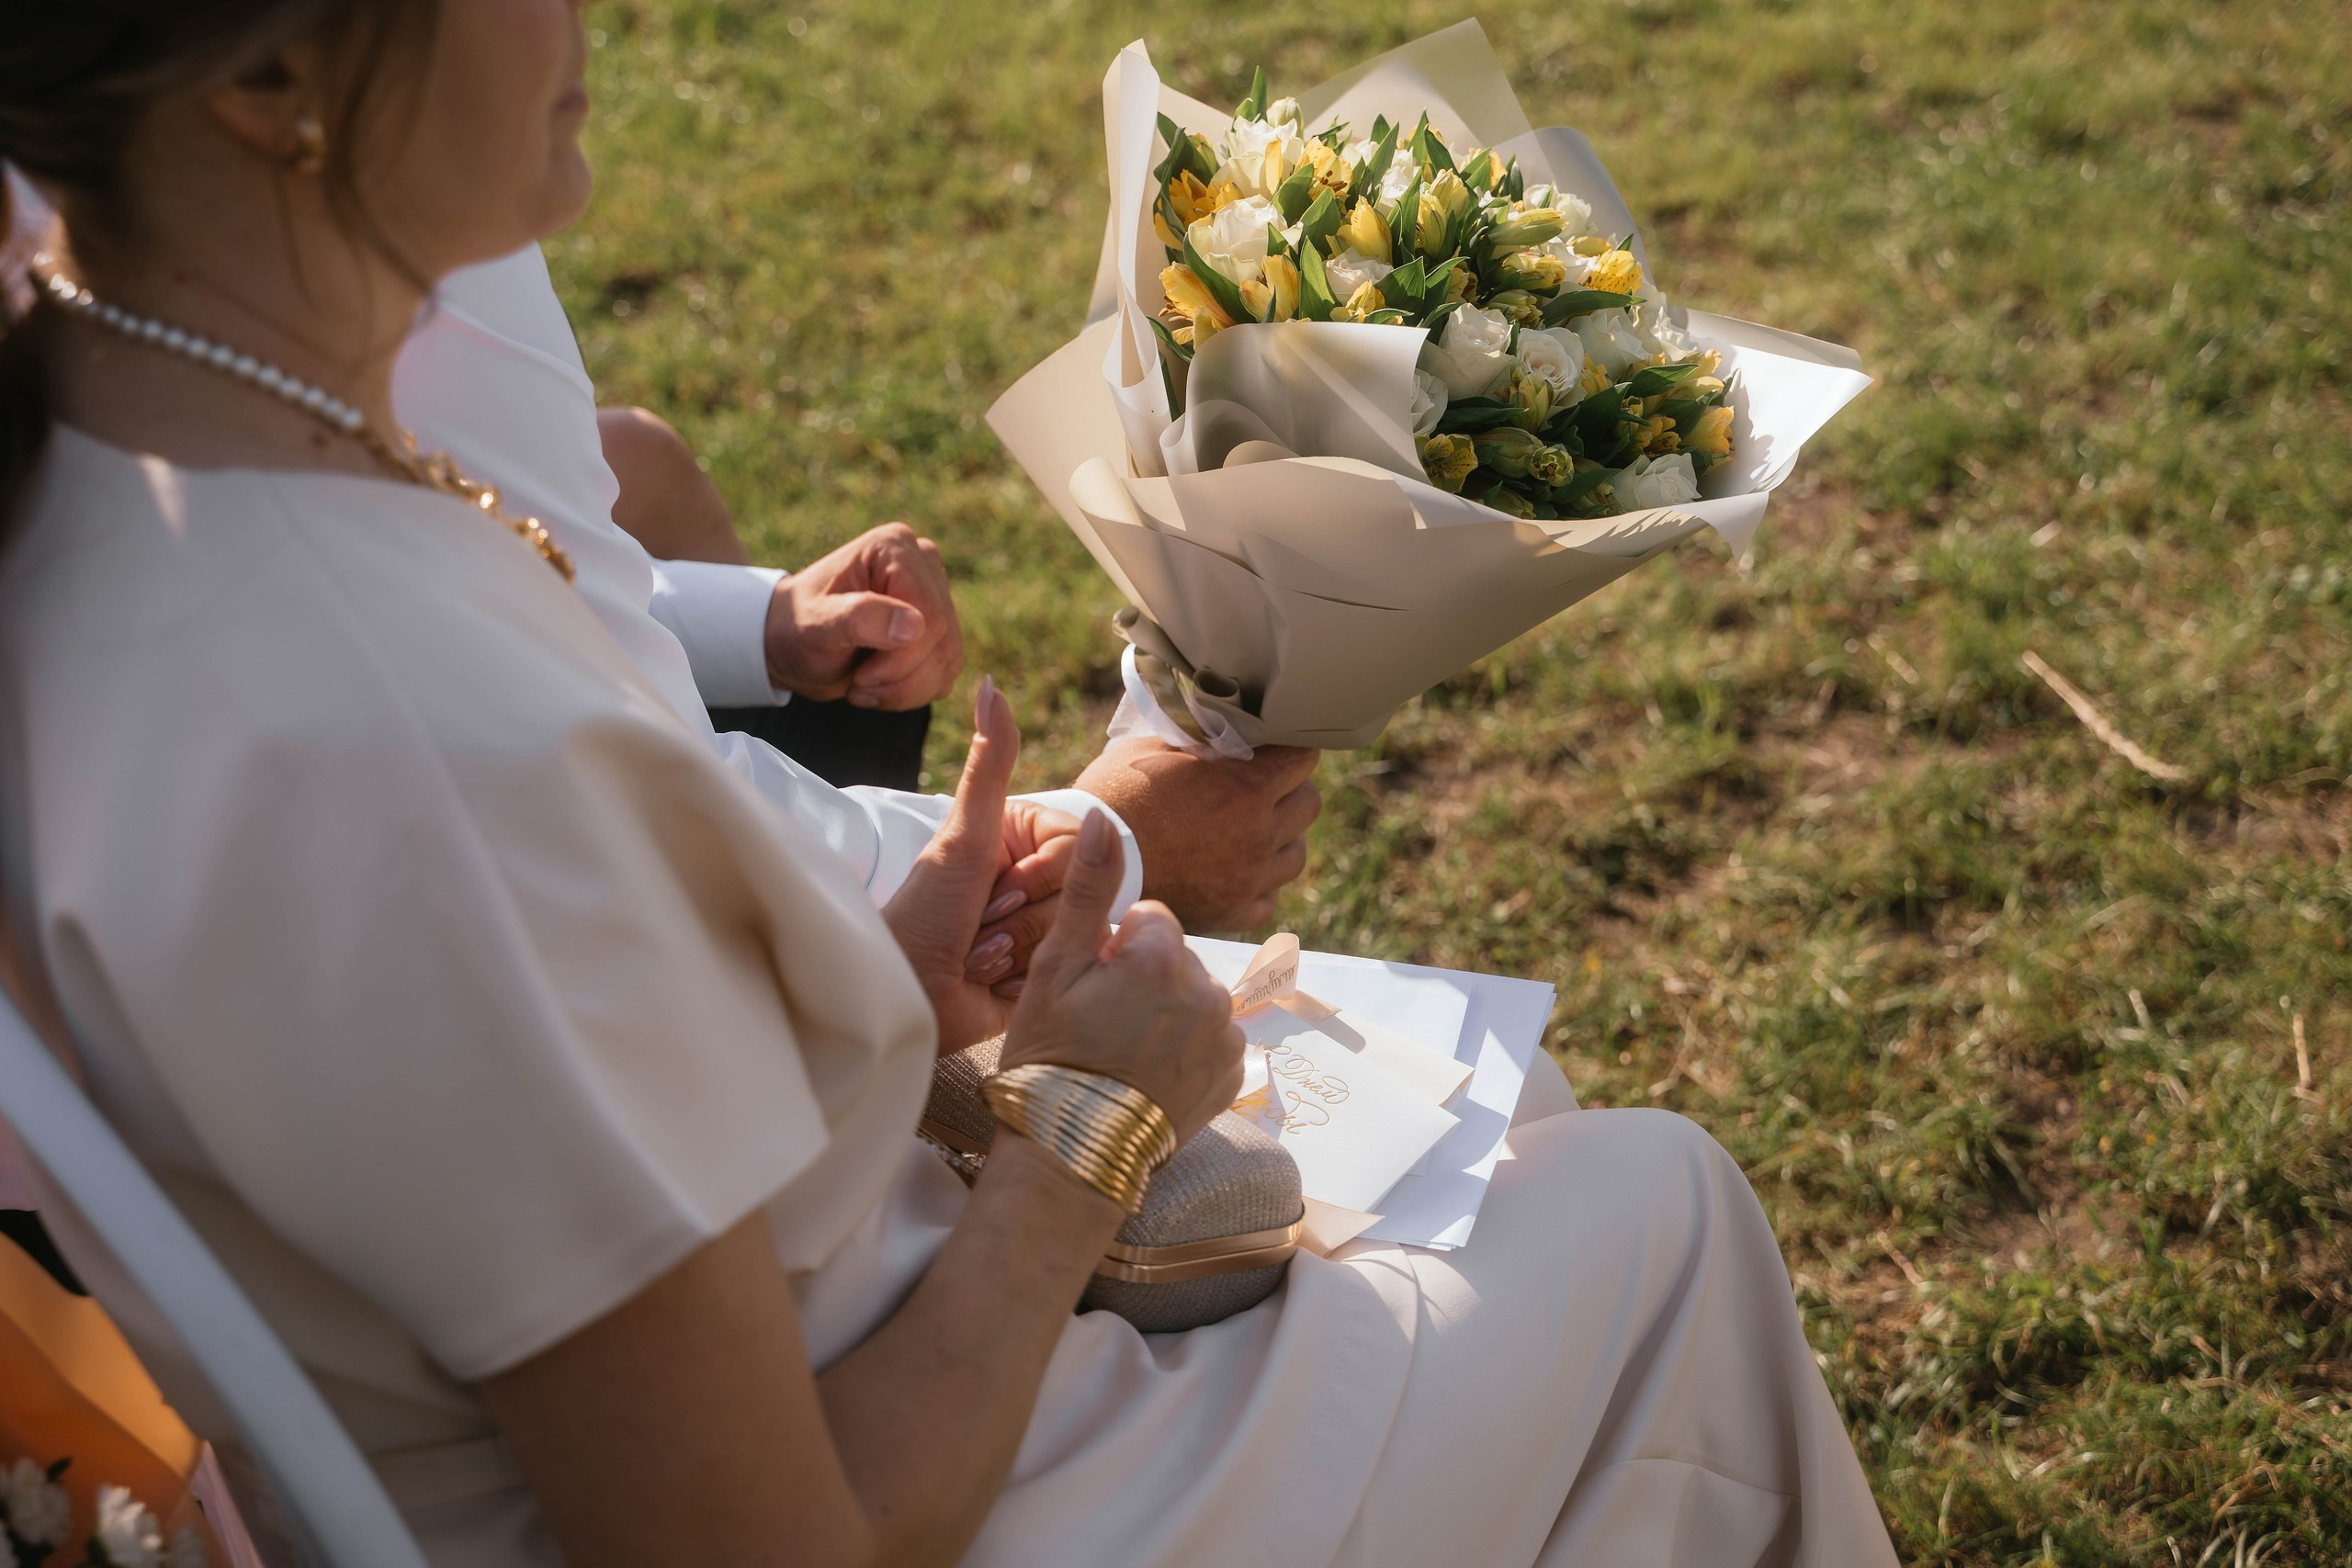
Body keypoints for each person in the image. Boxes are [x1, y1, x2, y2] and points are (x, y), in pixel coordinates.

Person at [0, 6, 1901, 1568]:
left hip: (792, 1327)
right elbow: (775, 1540)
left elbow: (468, 1085)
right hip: (930, 1463)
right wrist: (1081, 1132)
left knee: (1516, 1136)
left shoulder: (137, 483)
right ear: (264, 85)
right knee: (1655, 1223)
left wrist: (868, 1004)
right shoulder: (399, 729)